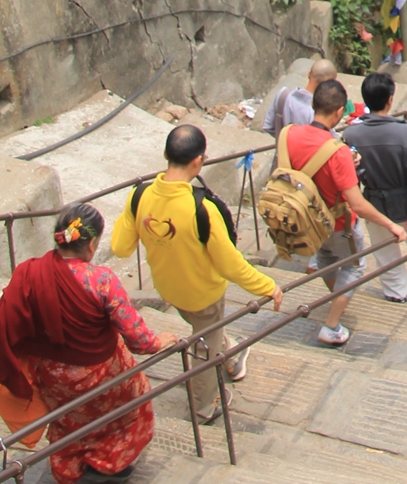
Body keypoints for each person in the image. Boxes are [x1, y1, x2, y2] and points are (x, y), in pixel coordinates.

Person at [0, 204, 174, 484]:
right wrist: (160, 341)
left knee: (70, 417)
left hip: (55, 377)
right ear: (92, 243)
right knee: (128, 405)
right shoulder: (102, 281)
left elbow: (5, 323)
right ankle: (110, 463)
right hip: (102, 374)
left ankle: (75, 462)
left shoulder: (29, 273)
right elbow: (138, 340)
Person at [111, 126, 281, 424]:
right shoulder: (202, 208)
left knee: (208, 329)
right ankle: (204, 407)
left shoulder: (139, 196)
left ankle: (230, 356)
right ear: (198, 161)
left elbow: (120, 247)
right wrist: (268, 286)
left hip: (168, 287)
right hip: (202, 295)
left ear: (166, 154)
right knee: (204, 346)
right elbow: (231, 265)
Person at [284, 76, 407, 347]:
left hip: (306, 219)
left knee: (326, 259)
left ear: (314, 104)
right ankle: (331, 325)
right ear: (340, 111)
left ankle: (336, 299)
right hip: (338, 222)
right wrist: (392, 225)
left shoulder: (289, 135)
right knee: (354, 268)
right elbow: (358, 204)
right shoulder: (337, 152)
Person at [344, 71, 407, 302]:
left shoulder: (351, 135)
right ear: (390, 99)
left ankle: (396, 292)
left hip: (374, 201)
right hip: (406, 200)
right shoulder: (406, 133)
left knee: (384, 250)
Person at [262, 59, 334, 138]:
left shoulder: (282, 95)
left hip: (282, 144)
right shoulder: (318, 111)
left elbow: (268, 126)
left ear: (309, 73)